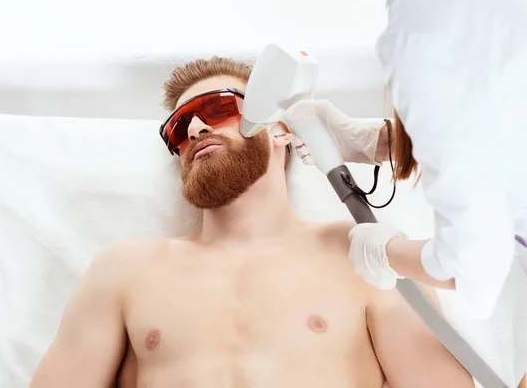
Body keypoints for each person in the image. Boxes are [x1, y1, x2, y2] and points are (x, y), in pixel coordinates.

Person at [29, 57, 474, 387]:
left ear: (281, 130)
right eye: (180, 127)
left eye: (220, 108)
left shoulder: (366, 255)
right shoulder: (124, 271)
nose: (198, 128)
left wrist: (383, 141)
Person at [286, 0, 527, 320]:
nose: (199, 127)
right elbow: (495, 113)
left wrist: (386, 251)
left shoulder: (423, 25)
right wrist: (381, 141)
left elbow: (471, 262)